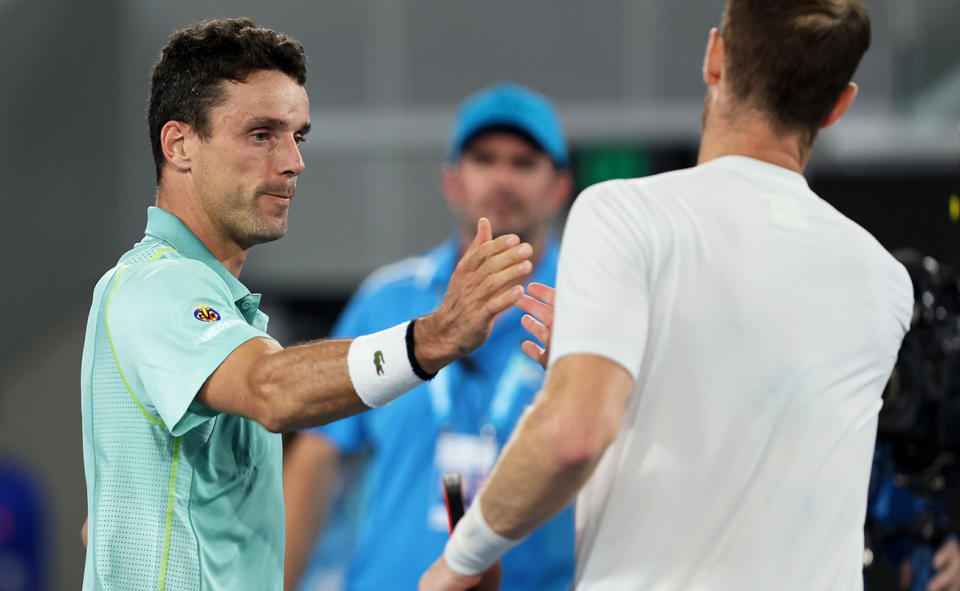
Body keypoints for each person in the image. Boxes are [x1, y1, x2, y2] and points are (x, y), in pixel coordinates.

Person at [420, 1, 917, 590]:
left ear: (715, 57)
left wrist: (464, 557)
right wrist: (620, 365)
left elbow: (574, 434)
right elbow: (753, 432)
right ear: (839, 105)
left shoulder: (624, 213)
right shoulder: (885, 280)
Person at [79, 19, 534, 590]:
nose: (294, 161)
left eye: (299, 136)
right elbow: (272, 390)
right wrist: (430, 339)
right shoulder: (157, 284)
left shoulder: (215, 304)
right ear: (179, 145)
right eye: (262, 134)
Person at [283, 83, 575, 591]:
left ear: (558, 186)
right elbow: (318, 453)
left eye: (524, 162)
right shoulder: (386, 301)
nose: (503, 177)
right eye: (484, 159)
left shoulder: (588, 306)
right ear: (453, 182)